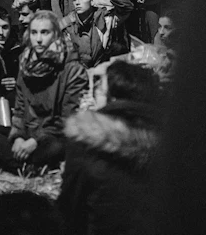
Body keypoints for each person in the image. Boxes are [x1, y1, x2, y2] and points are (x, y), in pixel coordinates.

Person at [58, 60, 162, 235]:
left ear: (112, 98)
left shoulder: (87, 139)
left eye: (99, 89)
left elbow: (70, 210)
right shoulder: (170, 141)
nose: (93, 95)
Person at [0, 10, 87, 174]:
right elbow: (20, 111)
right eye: (34, 32)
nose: (39, 39)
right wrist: (18, 137)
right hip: (30, 131)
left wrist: (34, 141)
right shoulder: (26, 64)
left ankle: (11, 161)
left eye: (45, 32)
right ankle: (25, 166)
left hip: (55, 134)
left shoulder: (72, 69)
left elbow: (68, 117)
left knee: (59, 145)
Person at [59, 0, 133, 68]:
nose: (77, 2)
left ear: (92, 1)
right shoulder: (68, 24)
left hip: (102, 67)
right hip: (77, 69)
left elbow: (127, 8)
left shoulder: (105, 19)